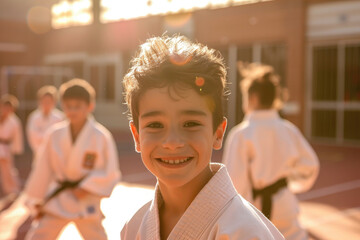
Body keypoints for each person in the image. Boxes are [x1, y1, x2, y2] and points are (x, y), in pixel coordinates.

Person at [120, 35, 284, 240]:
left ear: (218, 133)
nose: (172, 142)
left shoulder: (244, 231)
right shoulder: (134, 227)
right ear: (136, 136)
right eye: (155, 125)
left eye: (190, 124)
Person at [222, 63, 320, 240]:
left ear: (252, 97)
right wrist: (288, 180)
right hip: (286, 205)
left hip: (256, 209)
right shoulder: (288, 129)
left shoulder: (242, 134)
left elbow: (235, 182)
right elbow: (310, 165)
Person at [23, 79, 121, 240]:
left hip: (85, 199)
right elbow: (43, 168)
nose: (72, 110)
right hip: (58, 198)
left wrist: (87, 187)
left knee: (97, 237)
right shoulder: (54, 134)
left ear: (90, 106)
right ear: (62, 106)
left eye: (77, 106)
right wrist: (37, 199)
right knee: (38, 236)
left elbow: (110, 171)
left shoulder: (101, 136)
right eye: (68, 106)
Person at [26, 85, 64, 154]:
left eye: (49, 101)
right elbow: (32, 136)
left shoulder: (60, 117)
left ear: (54, 101)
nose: (47, 103)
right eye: (45, 100)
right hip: (39, 151)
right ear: (40, 101)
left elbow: (61, 136)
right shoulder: (34, 117)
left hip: (55, 152)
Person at [0, 94, 23, 197]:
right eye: (5, 107)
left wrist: (15, 149)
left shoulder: (14, 121)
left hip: (6, 147)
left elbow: (17, 136)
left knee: (8, 169)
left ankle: (12, 190)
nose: (6, 110)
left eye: (9, 108)